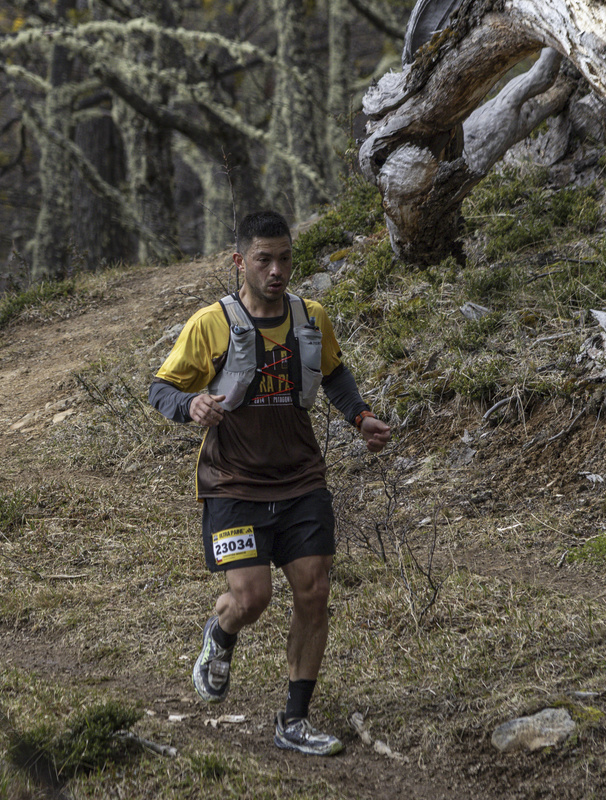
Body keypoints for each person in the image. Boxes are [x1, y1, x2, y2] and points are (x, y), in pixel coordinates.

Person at [149, 210, 390, 756]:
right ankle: (222, 632)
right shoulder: (211, 324)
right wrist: (192, 404)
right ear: (241, 261)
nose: (276, 270)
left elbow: (333, 373)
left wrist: (360, 416)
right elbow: (160, 388)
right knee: (251, 598)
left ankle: (294, 720)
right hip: (232, 483)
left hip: (302, 479)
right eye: (264, 259)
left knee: (315, 591)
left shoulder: (310, 317)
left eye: (284, 258)